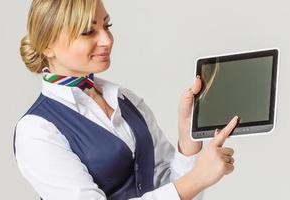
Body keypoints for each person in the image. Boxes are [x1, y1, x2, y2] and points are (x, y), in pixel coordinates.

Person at [13, 0, 240, 199]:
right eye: (87, 32)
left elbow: (171, 187)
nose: (107, 40)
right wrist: (197, 179)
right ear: (47, 46)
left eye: (106, 26)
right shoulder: (36, 130)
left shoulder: (123, 98)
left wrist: (188, 137)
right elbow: (185, 188)